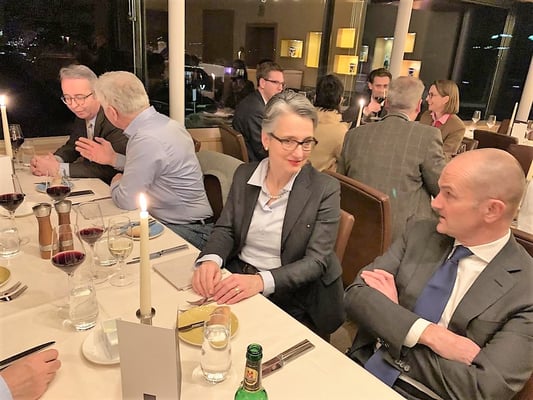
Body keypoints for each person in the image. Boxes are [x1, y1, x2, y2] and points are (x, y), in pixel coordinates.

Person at [345, 148, 533, 400]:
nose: (435, 203)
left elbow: (483, 389)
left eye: (449, 194)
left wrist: (393, 324)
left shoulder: (526, 288)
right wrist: (431, 335)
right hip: (360, 370)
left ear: (492, 210)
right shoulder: (420, 232)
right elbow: (356, 295)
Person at [193, 91, 345, 338]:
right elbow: (226, 228)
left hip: (291, 295)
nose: (299, 153)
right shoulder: (244, 175)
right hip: (239, 275)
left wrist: (260, 281)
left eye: (306, 142)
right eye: (289, 141)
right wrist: (211, 259)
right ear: (266, 138)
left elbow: (316, 261)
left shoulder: (324, 189)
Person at [92, 71, 213, 250]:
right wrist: (113, 159)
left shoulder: (145, 138)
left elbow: (126, 201)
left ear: (112, 112)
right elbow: (156, 166)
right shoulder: (164, 124)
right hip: (188, 223)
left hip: (190, 231)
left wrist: (116, 182)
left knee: (110, 245)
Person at [338, 76, 446, 242]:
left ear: (386, 103)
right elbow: (442, 188)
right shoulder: (428, 137)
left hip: (355, 232)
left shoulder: (354, 135)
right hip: (404, 239)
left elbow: (341, 186)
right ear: (418, 106)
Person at [30, 64, 127, 184]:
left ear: (97, 93)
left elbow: (111, 169)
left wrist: (58, 169)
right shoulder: (83, 112)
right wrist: (53, 160)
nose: (74, 105)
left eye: (80, 97)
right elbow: (73, 146)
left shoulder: (114, 118)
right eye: (67, 98)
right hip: (93, 184)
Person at [232, 61, 284, 161]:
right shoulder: (255, 110)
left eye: (282, 84)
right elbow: (263, 150)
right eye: (275, 83)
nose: (280, 88)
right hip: (257, 164)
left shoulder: (256, 102)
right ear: (262, 83)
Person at [308, 74, 349, 171]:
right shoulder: (340, 131)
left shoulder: (302, 121)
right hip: (320, 178)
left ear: (315, 97)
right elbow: (346, 163)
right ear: (340, 100)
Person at [419, 80, 466, 161]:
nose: (426, 99)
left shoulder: (457, 127)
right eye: (428, 94)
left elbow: (444, 156)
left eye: (431, 95)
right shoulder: (426, 116)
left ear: (445, 99)